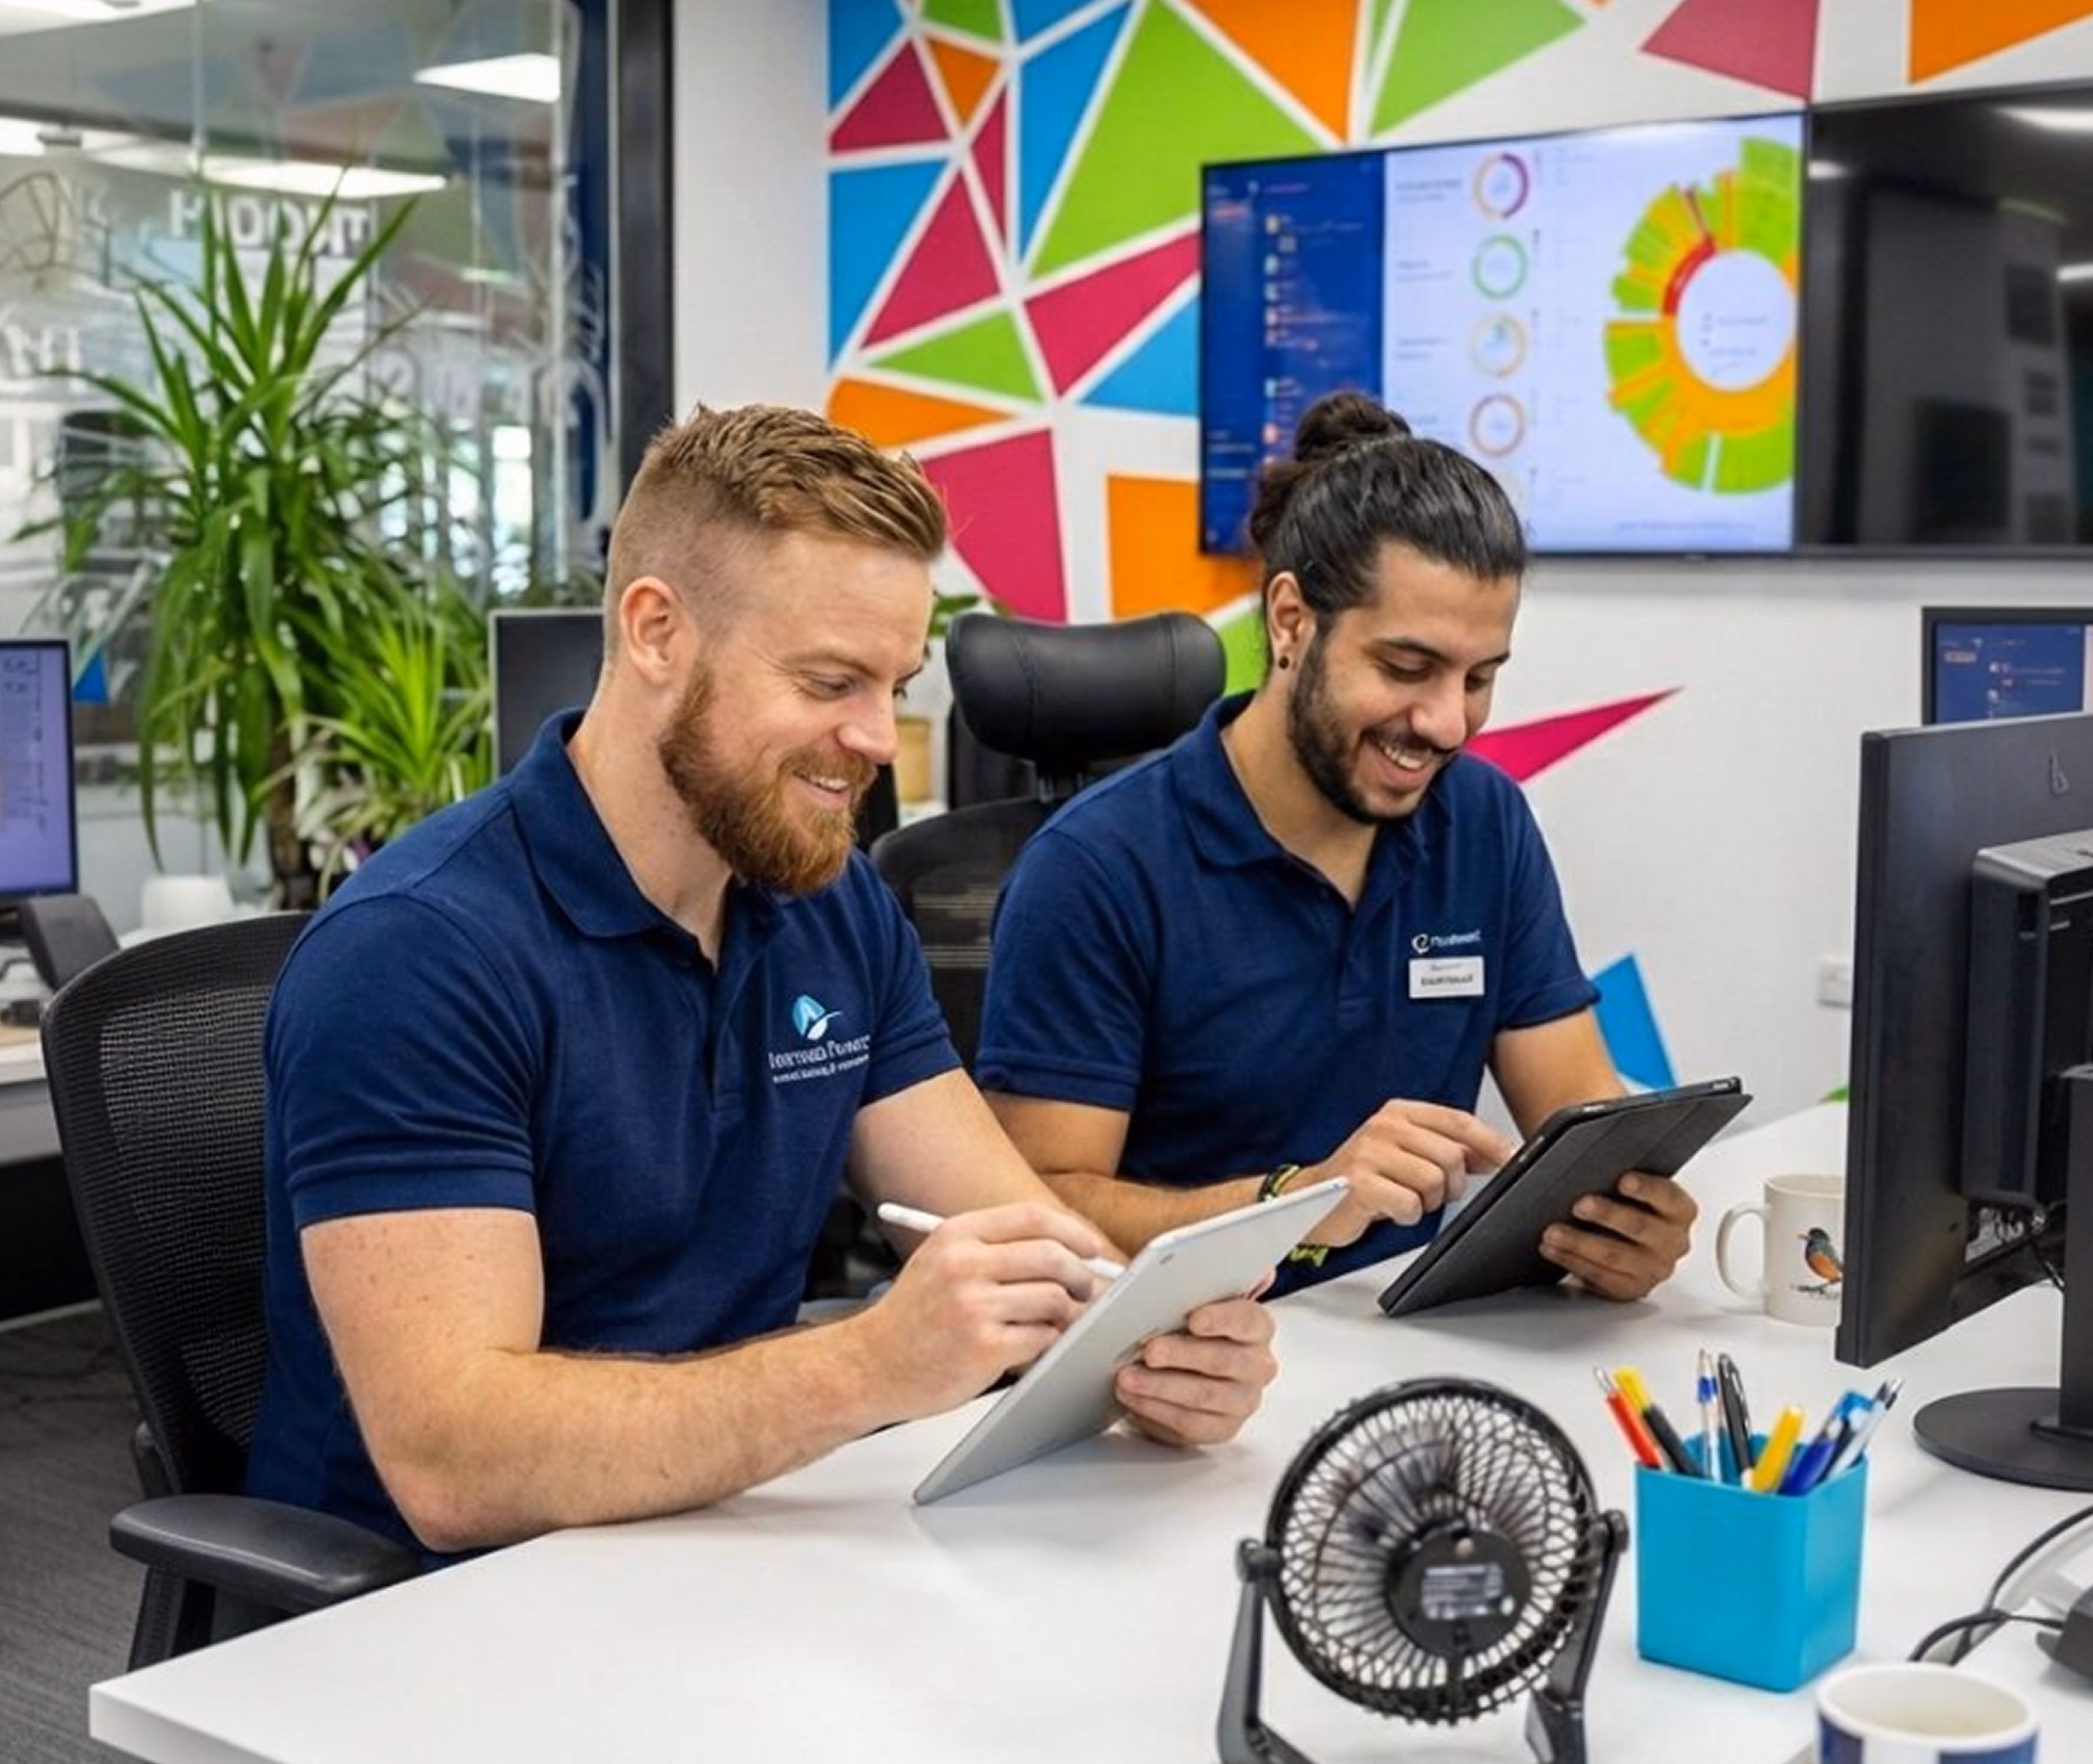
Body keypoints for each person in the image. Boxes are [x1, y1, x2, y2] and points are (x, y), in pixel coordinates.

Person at [244, 405, 1277, 1560]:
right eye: (832, 681)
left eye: (895, 683)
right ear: (656, 633)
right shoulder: (417, 952)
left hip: (710, 1541)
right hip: (431, 1616)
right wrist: (869, 1365)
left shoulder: (829, 905)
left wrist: (1142, 1345)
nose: (880, 738)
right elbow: (455, 1459)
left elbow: (1020, 1235)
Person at [975, 391, 1697, 1302]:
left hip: (1408, 1343)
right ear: (1289, 621)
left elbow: (1579, 1125)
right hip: (1175, 1378)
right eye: (1404, 668)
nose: (1443, 723)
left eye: (1478, 679)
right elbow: (1042, 1212)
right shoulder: (1095, 867)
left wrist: (1624, 1222)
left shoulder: (1484, 822)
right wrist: (1296, 1204)